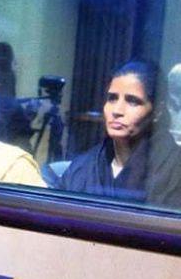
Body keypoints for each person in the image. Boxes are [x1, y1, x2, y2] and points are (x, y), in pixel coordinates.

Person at [59, 60, 181, 208]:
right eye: (112, 98)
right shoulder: (82, 167)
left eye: (133, 101)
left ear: (157, 111)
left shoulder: (176, 169)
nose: (117, 111)